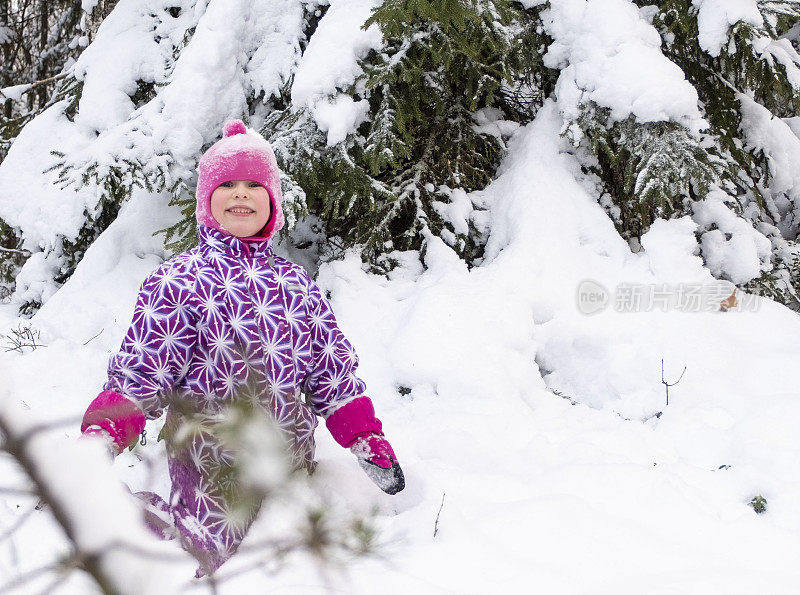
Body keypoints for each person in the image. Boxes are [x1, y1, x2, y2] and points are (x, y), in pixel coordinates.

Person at [79, 119, 404, 576]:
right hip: (211, 465)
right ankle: (127, 525)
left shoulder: (295, 285)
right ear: (207, 202)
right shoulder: (180, 281)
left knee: (294, 556)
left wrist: (364, 436)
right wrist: (103, 436)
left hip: (289, 460)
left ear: (272, 201)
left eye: (254, 184)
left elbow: (331, 371)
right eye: (226, 184)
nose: (240, 194)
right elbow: (143, 370)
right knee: (205, 558)